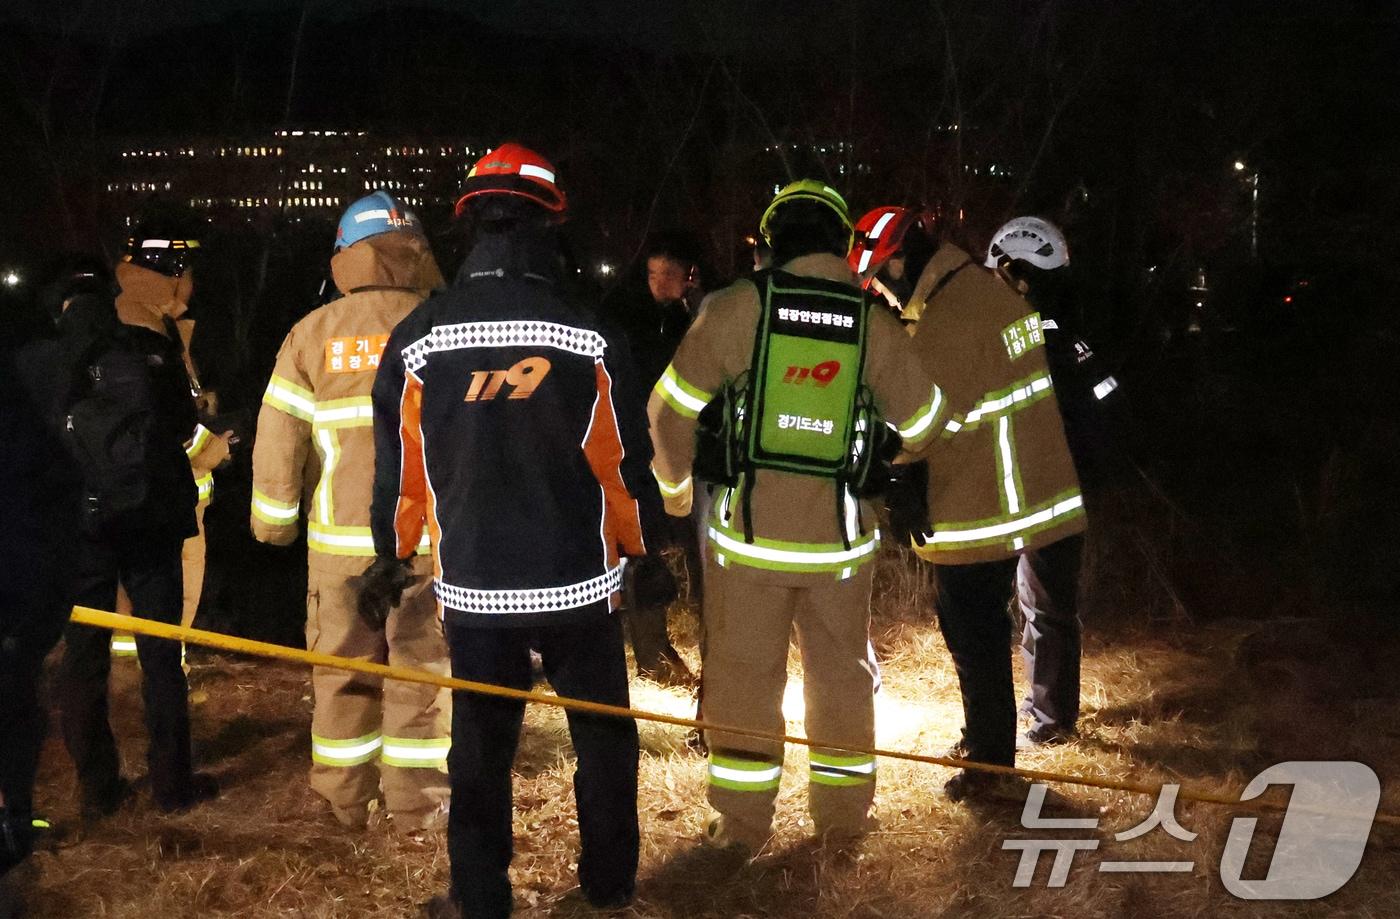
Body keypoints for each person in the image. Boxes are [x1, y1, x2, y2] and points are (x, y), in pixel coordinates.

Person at [366, 143, 664, 917]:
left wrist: (391, 554)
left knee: (480, 749)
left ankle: (479, 895)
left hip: (478, 588)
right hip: (580, 585)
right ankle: (608, 884)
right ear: (548, 223)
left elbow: (405, 468)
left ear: (471, 224)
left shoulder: (421, 335)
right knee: (603, 739)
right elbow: (621, 461)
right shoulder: (588, 334)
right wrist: (644, 549)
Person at [649, 181, 945, 854]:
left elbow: (667, 413)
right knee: (841, 680)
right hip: (839, 546)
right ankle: (842, 821)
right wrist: (884, 455)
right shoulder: (871, 320)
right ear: (841, 243)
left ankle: (743, 825)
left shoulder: (732, 309)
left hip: (746, 543)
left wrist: (675, 495)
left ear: (772, 243)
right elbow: (927, 420)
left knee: (745, 679)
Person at [850, 205, 1086, 800]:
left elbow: (924, 418)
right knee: (986, 626)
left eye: (878, 276)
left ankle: (989, 768)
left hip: (987, 496)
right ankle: (990, 742)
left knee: (971, 629)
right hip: (1020, 482)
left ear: (901, 261)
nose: (878, 289)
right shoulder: (971, 292)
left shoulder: (953, 313)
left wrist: (887, 466)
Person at [250, 191, 452, 832]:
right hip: (427, 545)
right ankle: (416, 809)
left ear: (344, 257)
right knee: (421, 674)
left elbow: (279, 439)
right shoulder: (448, 325)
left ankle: (343, 803)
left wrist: (273, 521)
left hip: (338, 549)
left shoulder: (312, 334)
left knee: (340, 672)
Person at [58, 214, 219, 817]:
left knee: (84, 654)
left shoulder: (55, 355)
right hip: (152, 520)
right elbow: (182, 427)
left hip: (84, 525)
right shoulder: (152, 345)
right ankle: (174, 785)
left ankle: (98, 789)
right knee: (160, 652)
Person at [986, 216, 1119, 746]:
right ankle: (1045, 707)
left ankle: (1051, 721)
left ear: (1018, 272)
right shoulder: (1070, 332)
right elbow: (1105, 403)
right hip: (1068, 486)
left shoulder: (1020, 337)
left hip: (1038, 489)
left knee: (1045, 606)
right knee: (1044, 603)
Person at [1, 258, 99, 886]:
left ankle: (16, 821)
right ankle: (16, 820)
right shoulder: (29, 389)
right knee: (14, 706)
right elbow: (51, 489)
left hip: (18, 582)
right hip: (19, 586)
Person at [602, 231, 709, 684]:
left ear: (688, 277)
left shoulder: (699, 319)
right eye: (652, 273)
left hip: (693, 453)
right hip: (639, 451)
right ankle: (654, 658)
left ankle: (712, 651)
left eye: (668, 274)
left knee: (702, 554)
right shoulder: (627, 321)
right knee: (641, 550)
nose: (659, 282)